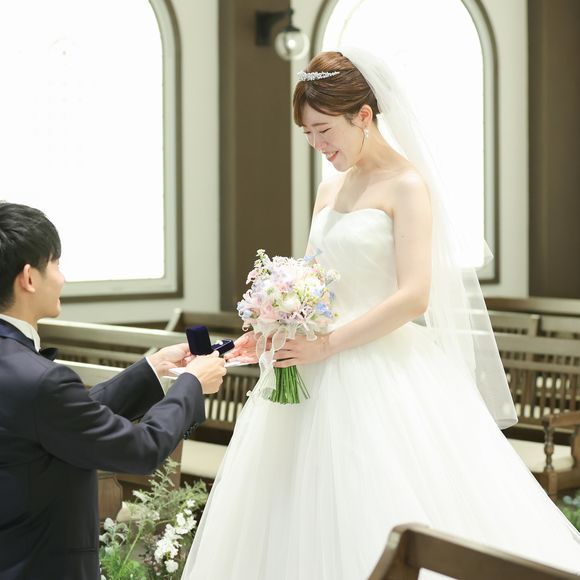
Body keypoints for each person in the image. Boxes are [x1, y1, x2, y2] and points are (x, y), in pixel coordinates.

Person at [182, 49, 580, 579]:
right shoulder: (329, 188)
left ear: (363, 116)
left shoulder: (408, 185)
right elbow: (313, 277)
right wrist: (274, 323)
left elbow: (414, 296)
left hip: (380, 367)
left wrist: (327, 343)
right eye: (308, 134)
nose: (318, 145)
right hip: (309, 365)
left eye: (325, 130)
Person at [0, 202, 226, 580]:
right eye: (56, 264)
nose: (63, 278)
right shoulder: (42, 382)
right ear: (28, 278)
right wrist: (192, 384)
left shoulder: (19, 368)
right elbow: (141, 449)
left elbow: (62, 417)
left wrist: (154, 368)